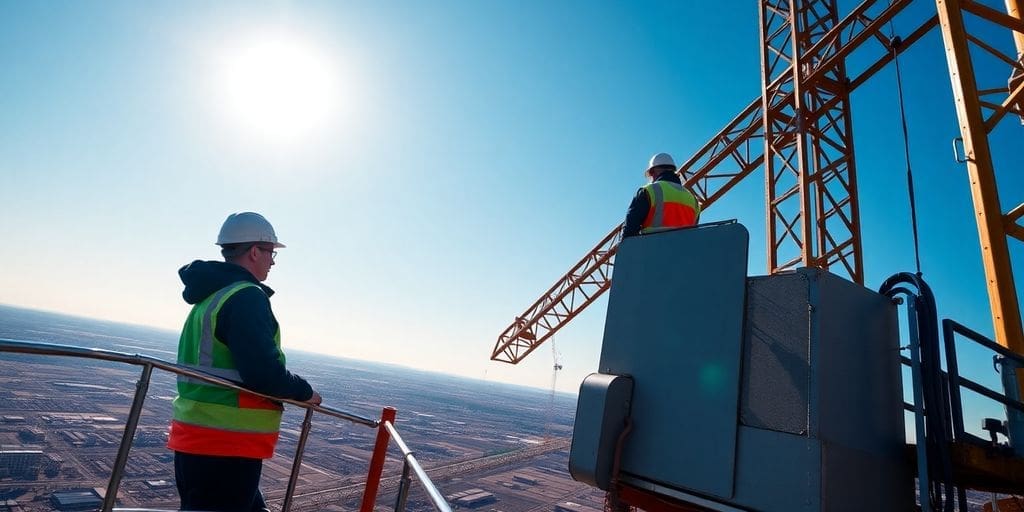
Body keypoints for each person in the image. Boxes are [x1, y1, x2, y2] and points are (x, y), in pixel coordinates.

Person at [168, 211, 322, 512]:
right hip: (225, 445)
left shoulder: (211, 297)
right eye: (271, 253)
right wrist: (305, 393)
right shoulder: (245, 297)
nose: (273, 261)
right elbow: (264, 374)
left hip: (198, 439)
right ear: (254, 251)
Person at [622, 152, 701, 238]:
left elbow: (629, 232)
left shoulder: (648, 191)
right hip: (684, 250)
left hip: (652, 248)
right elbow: (694, 233)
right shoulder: (693, 200)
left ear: (653, 172)